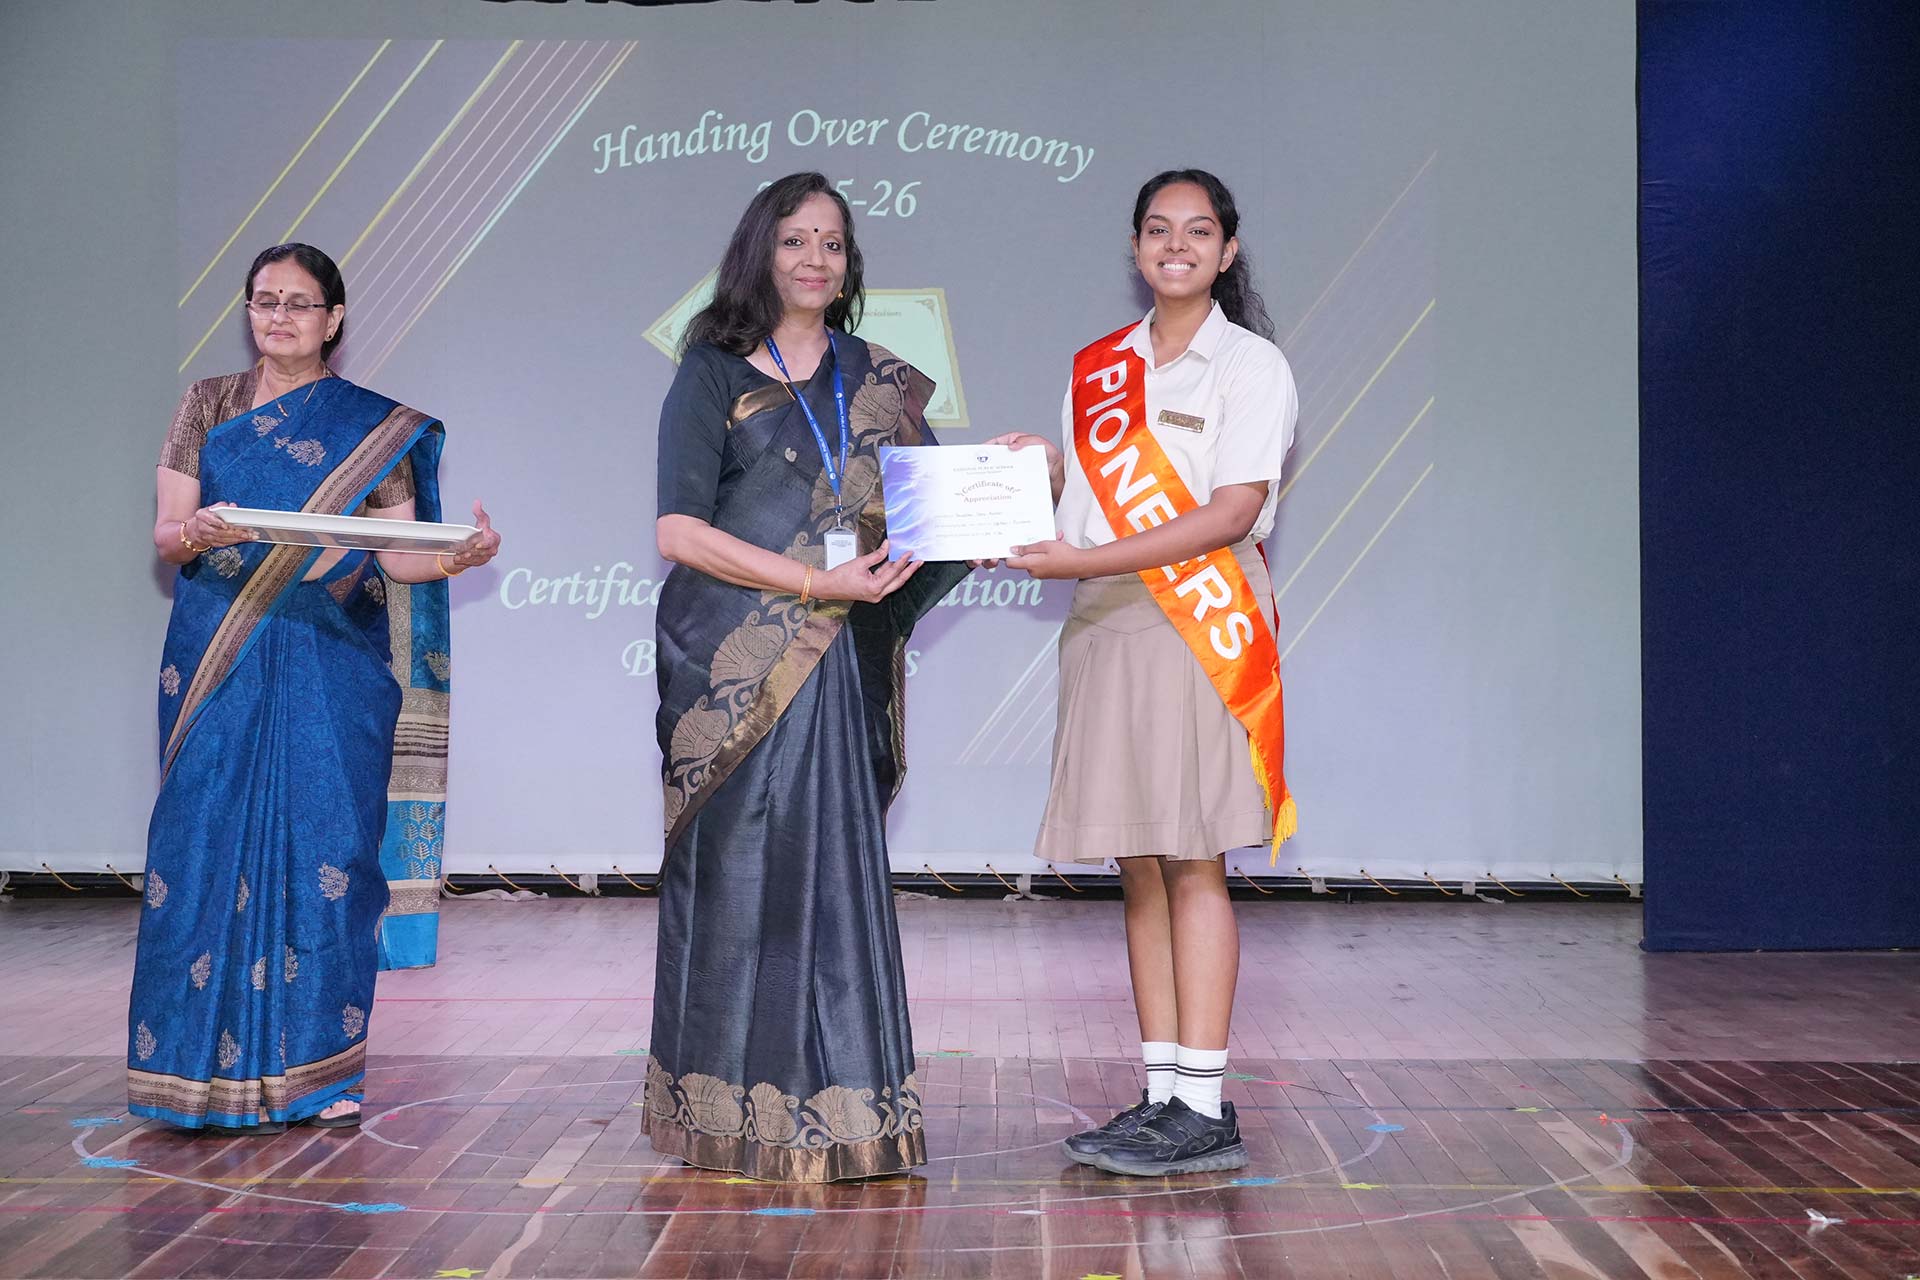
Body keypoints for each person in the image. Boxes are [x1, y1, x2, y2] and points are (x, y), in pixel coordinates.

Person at [128, 243, 502, 1134]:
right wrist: (200, 531)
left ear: (334, 319)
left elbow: (400, 559)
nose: (279, 316)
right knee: (200, 851)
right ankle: (187, 1077)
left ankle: (316, 1074)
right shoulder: (207, 404)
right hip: (218, 654)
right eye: (265, 300)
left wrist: (460, 555)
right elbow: (168, 535)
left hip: (331, 663)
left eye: (300, 303)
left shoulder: (373, 428)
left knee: (327, 854)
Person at [647, 172, 967, 1182]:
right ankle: (725, 1117)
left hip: (839, 665)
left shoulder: (876, 381)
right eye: (796, 240)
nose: (815, 259)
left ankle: (850, 1114)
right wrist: (813, 580)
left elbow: (934, 526)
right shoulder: (709, 373)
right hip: (733, 670)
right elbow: (678, 531)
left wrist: (1014, 481)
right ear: (762, 251)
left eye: (832, 242)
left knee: (832, 884)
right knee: (739, 880)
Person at [994, 170, 1298, 1176]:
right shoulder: (1100, 367)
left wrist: (1082, 557)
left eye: (1198, 231)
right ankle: (1163, 1092)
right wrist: (1040, 471)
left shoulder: (1249, 365)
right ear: (1135, 248)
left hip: (1197, 621)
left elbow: (1230, 511)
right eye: (1159, 230)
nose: (1177, 245)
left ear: (1227, 250)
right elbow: (1082, 505)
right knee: (1138, 857)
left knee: (1194, 854)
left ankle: (1203, 1103)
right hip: (1107, 621)